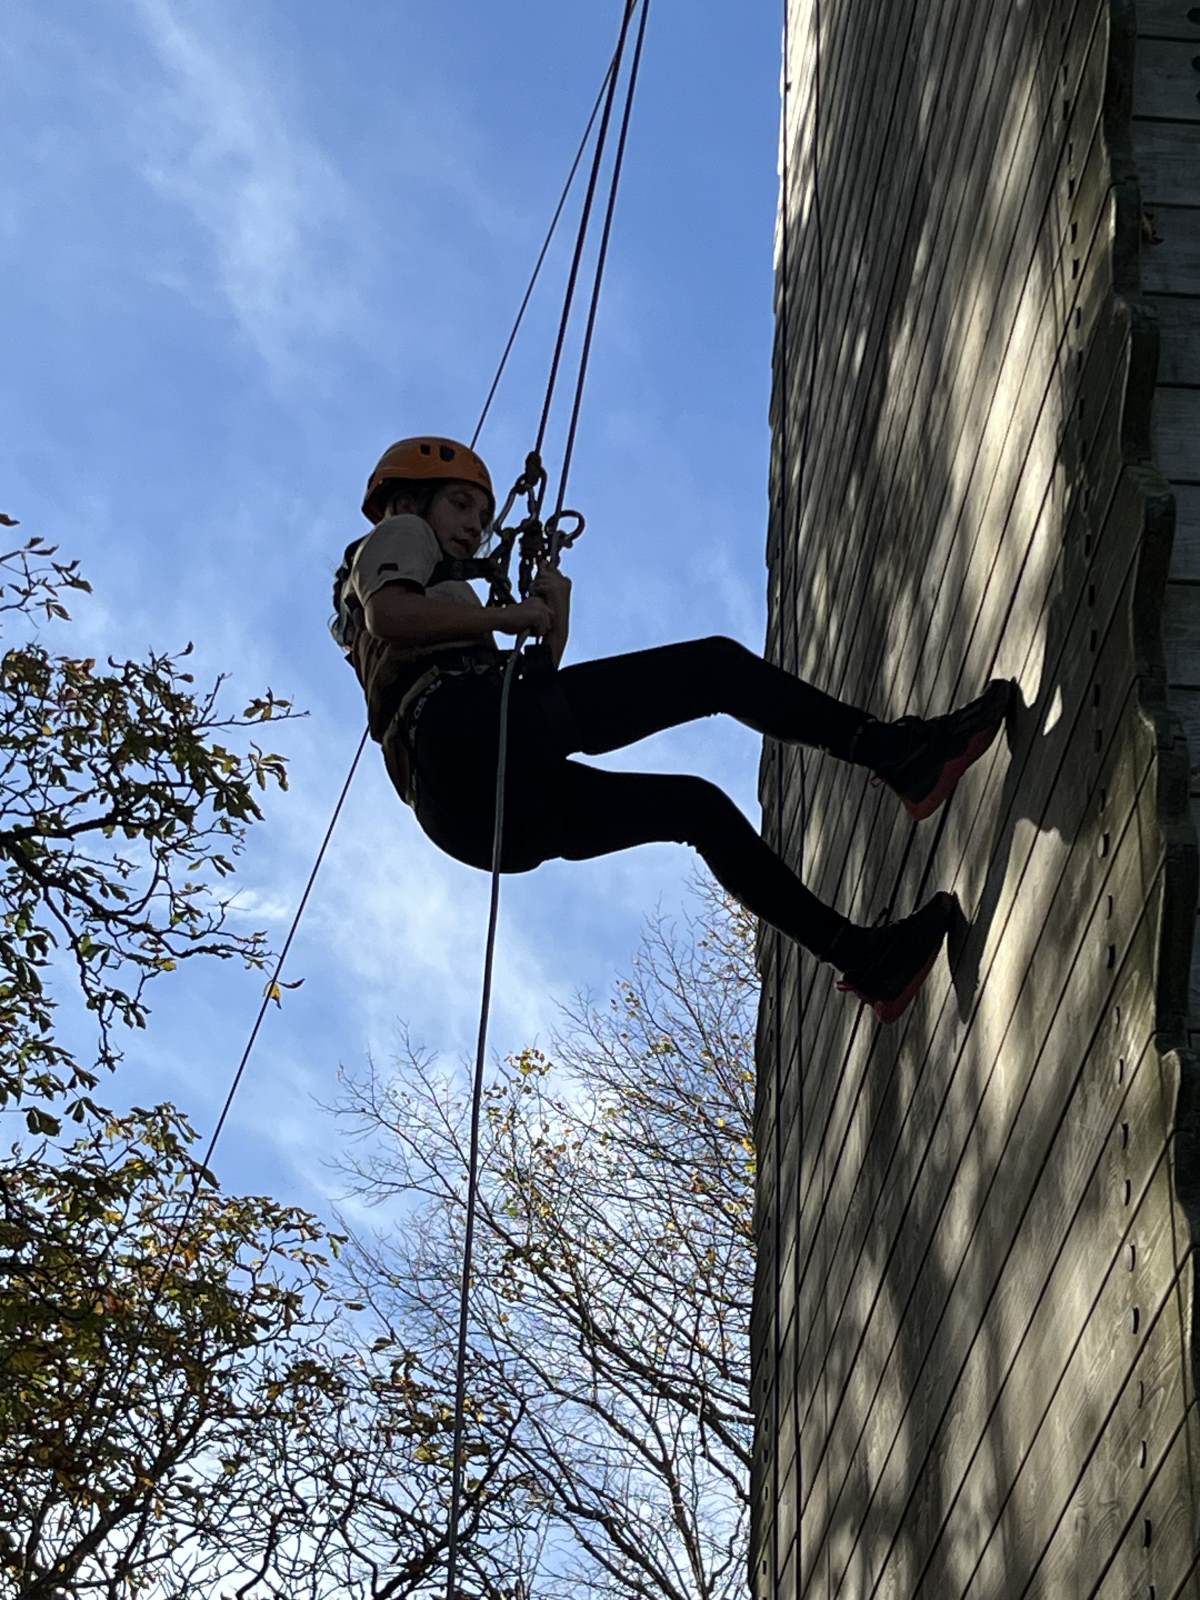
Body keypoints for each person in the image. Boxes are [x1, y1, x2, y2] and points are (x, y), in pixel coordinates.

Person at [331, 436, 1014, 1024]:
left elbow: (539, 696)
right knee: (712, 669)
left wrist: (552, 617)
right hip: (463, 738)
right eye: (460, 505)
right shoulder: (399, 535)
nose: (474, 526)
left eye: (482, 516)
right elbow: (392, 615)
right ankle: (897, 754)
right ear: (408, 500)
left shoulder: (445, 602)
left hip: (471, 806)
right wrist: (508, 619)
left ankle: (867, 960)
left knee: (695, 808)